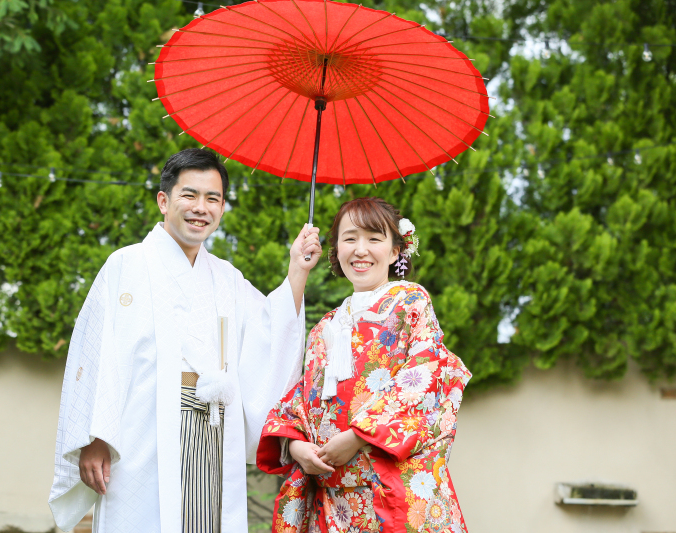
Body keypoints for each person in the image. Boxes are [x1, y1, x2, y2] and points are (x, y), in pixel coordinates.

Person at [48, 148, 322, 533]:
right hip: (141, 433)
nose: (201, 208)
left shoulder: (226, 277)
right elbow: (95, 353)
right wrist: (95, 438)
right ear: (164, 201)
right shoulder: (126, 265)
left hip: (213, 433)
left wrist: (297, 270)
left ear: (222, 208)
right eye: (189, 195)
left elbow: (267, 333)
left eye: (213, 198)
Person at [257, 197, 472, 533]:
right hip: (332, 501)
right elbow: (299, 399)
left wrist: (358, 437)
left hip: (386, 492)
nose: (360, 250)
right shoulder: (324, 327)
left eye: (374, 238)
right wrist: (296, 446)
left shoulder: (410, 302)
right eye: (350, 238)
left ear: (396, 251)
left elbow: (425, 377)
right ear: (336, 250)